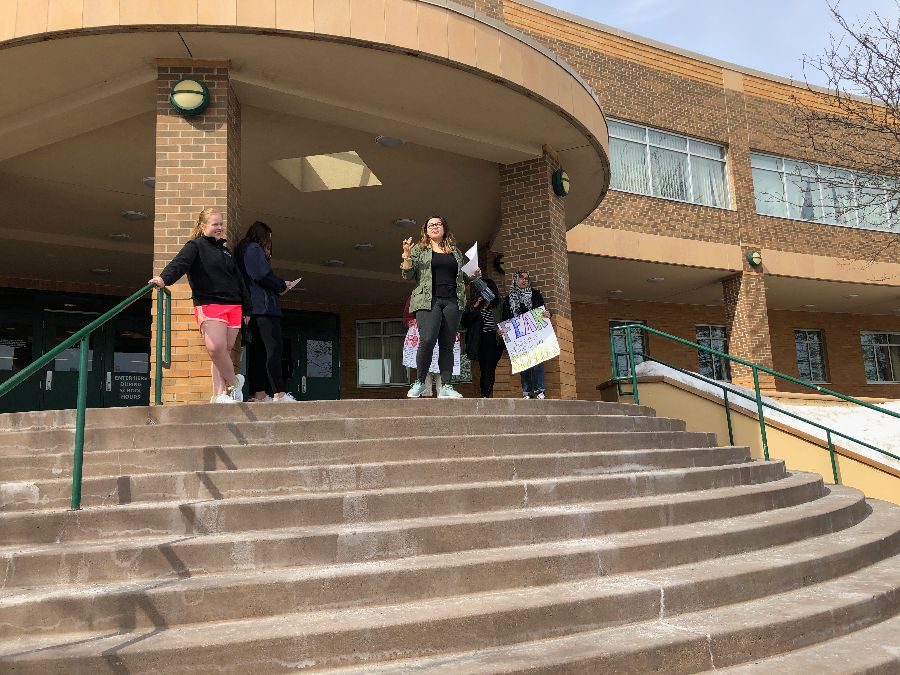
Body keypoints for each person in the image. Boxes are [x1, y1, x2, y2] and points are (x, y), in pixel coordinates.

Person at [149, 207, 249, 404]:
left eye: (221, 224)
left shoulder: (226, 252)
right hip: (210, 303)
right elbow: (180, 263)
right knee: (216, 348)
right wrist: (163, 279)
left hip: (234, 306)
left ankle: (220, 395)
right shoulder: (195, 246)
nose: (220, 227)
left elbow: (239, 281)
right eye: (215, 224)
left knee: (225, 352)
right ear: (203, 226)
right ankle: (235, 381)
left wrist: (247, 307)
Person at [401, 216, 480, 398]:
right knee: (427, 339)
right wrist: (406, 254)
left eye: (438, 224)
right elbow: (407, 274)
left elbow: (462, 276)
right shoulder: (419, 250)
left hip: (453, 301)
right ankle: (420, 382)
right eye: (431, 225)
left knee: (447, 344)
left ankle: (446, 386)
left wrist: (473, 274)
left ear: (444, 228)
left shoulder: (455, 252)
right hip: (428, 301)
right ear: (426, 230)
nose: (435, 227)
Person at [236, 221, 296, 403]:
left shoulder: (242, 249)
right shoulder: (253, 248)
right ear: (263, 236)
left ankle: (260, 393)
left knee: (259, 351)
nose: (269, 243)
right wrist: (281, 285)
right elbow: (261, 275)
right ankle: (279, 393)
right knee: (273, 349)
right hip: (264, 307)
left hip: (252, 308)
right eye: (268, 238)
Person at [501, 270, 551, 400]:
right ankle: (527, 391)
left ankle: (540, 390)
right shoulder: (508, 299)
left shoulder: (535, 295)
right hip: (519, 337)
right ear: (515, 280)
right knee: (524, 362)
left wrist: (548, 314)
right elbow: (505, 319)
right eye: (521, 278)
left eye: (526, 279)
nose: (524, 280)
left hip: (535, 333)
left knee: (538, 360)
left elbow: (543, 311)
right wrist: (502, 330)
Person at [461, 278, 502, 398]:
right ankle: (484, 394)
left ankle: (485, 394)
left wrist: (503, 330)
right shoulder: (477, 304)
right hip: (480, 339)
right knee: (483, 369)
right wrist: (475, 306)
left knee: (490, 367)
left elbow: (505, 318)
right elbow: (465, 322)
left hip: (493, 339)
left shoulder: (499, 303)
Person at [403, 295, 441, 397]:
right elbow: (408, 314)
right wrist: (409, 321)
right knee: (425, 367)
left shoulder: (442, 294)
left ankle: (443, 397)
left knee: (441, 369)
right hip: (423, 333)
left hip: (440, 335)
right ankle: (426, 402)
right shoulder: (416, 294)